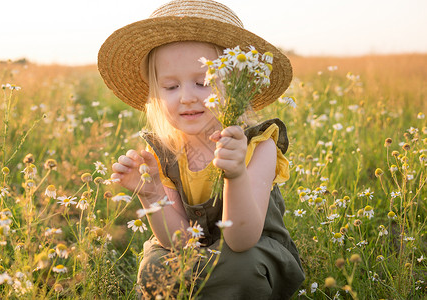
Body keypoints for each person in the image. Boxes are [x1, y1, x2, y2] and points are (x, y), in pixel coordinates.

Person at [98, 0, 305, 298]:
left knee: (242, 266)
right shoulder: (165, 151)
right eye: (170, 87)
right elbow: (179, 242)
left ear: (237, 82)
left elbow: (242, 239)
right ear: (155, 95)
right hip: (195, 253)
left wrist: (235, 174)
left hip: (250, 252)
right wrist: (152, 194)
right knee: (156, 262)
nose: (186, 97)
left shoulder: (258, 146)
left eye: (202, 82)